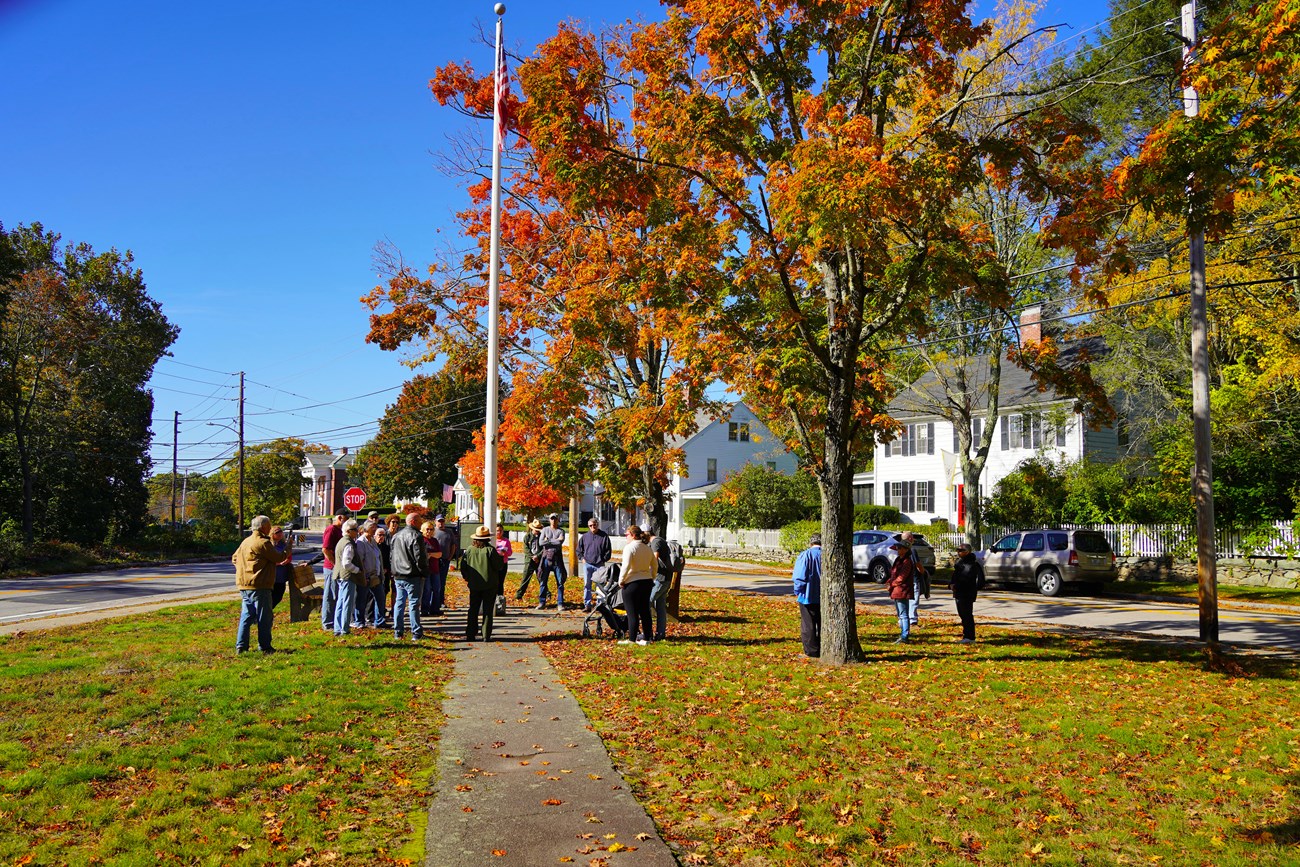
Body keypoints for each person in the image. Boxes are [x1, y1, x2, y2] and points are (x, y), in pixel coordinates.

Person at [232, 515, 291, 654]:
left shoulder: (246, 541)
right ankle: (264, 646)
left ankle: (241, 646)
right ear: (263, 527)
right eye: (269, 525)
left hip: (244, 584)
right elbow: (279, 557)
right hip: (260, 585)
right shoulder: (263, 542)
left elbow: (234, 558)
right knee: (264, 617)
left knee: (246, 616)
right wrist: (288, 547)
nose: (270, 528)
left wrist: (245, 569)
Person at [459, 525, 505, 641]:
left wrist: (467, 577)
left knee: (473, 609)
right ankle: (486, 634)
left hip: (474, 584)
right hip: (490, 584)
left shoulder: (469, 550)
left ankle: (470, 633)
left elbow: (463, 566)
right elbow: (498, 566)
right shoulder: (490, 550)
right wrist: (501, 557)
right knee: (488, 610)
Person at [390, 512, 428, 641]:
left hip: (398, 574)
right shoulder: (416, 536)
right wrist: (424, 572)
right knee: (413, 604)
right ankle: (416, 631)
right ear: (413, 522)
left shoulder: (396, 536)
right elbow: (420, 557)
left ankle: (398, 631)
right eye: (419, 521)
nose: (421, 523)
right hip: (412, 574)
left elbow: (392, 556)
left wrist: (394, 570)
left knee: (399, 603)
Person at [618, 525, 656, 646]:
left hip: (632, 582)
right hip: (646, 581)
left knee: (632, 612)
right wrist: (652, 576)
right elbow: (655, 565)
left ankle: (632, 639)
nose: (626, 537)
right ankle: (647, 637)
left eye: (627, 535)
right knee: (645, 611)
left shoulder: (630, 548)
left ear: (633, 535)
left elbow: (626, 565)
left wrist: (621, 580)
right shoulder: (647, 548)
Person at [792, 532, 823, 658]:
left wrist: (797, 591)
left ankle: (811, 651)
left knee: (808, 624)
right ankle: (824, 647)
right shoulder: (827, 555)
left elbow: (799, 577)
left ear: (811, 543)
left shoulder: (805, 555)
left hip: (807, 596)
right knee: (823, 623)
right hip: (824, 597)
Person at [332, 519, 363, 636]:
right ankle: (344, 629)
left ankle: (337, 628)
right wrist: (357, 570)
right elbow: (346, 563)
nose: (357, 532)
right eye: (355, 530)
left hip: (340, 576)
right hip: (347, 576)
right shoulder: (348, 544)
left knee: (340, 602)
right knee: (347, 603)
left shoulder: (341, 541)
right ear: (349, 531)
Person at [951, 541, 986, 643]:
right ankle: (966, 636)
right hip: (959, 592)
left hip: (966, 593)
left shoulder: (970, 564)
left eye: (961, 550)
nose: (958, 552)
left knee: (967, 615)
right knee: (962, 614)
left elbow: (966, 579)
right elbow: (955, 577)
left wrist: (956, 585)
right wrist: (951, 584)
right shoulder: (960, 563)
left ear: (967, 551)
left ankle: (970, 637)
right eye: (957, 550)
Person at [576, 517, 611, 613]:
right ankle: (587, 604)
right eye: (590, 526)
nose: (592, 527)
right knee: (587, 585)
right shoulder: (585, 537)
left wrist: (603, 559)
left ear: (597, 525)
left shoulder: (604, 536)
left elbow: (608, 550)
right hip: (587, 564)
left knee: (600, 585)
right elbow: (579, 550)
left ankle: (600, 605)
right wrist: (582, 559)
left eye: (594, 525)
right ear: (588, 526)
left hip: (600, 565)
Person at [319, 512, 346, 632]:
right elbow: (325, 549)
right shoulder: (331, 529)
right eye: (346, 518)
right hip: (331, 568)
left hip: (337, 567)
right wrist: (335, 564)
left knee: (336, 594)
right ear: (340, 518)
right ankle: (328, 622)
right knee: (330, 595)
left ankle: (334, 619)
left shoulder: (340, 530)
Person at [357, 520, 386, 628]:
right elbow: (360, 560)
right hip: (366, 576)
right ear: (366, 529)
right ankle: (359, 621)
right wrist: (364, 575)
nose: (374, 529)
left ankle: (380, 621)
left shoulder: (372, 541)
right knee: (362, 599)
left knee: (380, 598)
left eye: (375, 527)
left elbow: (378, 556)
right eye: (372, 527)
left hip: (376, 575)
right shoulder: (361, 542)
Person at [887, 538, 917, 643]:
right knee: (900, 614)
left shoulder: (907, 561)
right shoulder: (898, 560)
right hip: (896, 590)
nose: (897, 550)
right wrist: (890, 581)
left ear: (905, 549)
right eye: (897, 548)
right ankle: (903, 635)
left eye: (900, 548)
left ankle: (905, 636)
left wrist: (892, 584)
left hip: (902, 590)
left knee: (904, 615)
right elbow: (894, 573)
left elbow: (901, 577)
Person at [646, 527, 673, 641]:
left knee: (647, 603)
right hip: (665, 578)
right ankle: (660, 634)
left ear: (647, 533)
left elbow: (654, 559)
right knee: (660, 607)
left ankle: (648, 634)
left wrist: (647, 572)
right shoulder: (660, 540)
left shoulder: (655, 542)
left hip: (660, 579)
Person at [538, 513, 569, 611]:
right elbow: (541, 542)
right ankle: (542, 602)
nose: (553, 520)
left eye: (555, 519)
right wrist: (554, 540)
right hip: (546, 558)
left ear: (558, 520)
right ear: (549, 520)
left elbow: (560, 542)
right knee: (543, 581)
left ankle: (560, 603)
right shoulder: (544, 530)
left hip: (557, 559)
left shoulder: (561, 531)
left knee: (560, 582)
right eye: (552, 519)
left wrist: (548, 540)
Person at [901, 530, 931, 628]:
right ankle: (912, 621)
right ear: (910, 538)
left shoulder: (900, 550)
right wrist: (923, 572)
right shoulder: (912, 550)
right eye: (912, 537)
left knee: (906, 600)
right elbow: (918, 565)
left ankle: (904, 620)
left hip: (904, 579)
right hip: (913, 579)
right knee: (914, 600)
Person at [431, 515, 457, 615]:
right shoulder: (432, 531)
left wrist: (450, 557)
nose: (441, 523)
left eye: (442, 521)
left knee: (442, 582)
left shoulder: (449, 532)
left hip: (445, 560)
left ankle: (440, 601)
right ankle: (432, 602)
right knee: (432, 583)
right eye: (439, 521)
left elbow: (453, 545)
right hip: (434, 560)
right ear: (435, 522)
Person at [515, 520, 544, 606]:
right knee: (525, 578)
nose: (537, 531)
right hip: (529, 560)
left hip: (539, 560)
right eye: (535, 529)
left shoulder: (541, 537)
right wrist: (532, 556)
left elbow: (543, 548)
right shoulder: (527, 537)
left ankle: (546, 594)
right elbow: (526, 549)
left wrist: (538, 556)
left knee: (541, 578)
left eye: (538, 529)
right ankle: (519, 595)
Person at [421, 519, 444, 615]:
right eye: (427, 529)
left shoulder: (434, 540)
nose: (429, 531)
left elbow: (439, 554)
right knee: (426, 590)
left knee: (437, 588)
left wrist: (430, 554)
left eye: (431, 529)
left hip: (435, 569)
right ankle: (425, 609)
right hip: (425, 569)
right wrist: (431, 554)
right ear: (423, 529)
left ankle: (435, 608)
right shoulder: (421, 540)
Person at [270, 524, 293, 609]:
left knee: (278, 596)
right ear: (272, 534)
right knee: (270, 596)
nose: (280, 534)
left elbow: (289, 556)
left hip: (281, 575)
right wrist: (278, 563)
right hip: (271, 575)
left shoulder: (283, 544)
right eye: (277, 532)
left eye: (281, 532)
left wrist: (286, 561)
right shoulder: (269, 545)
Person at [375, 524, 393, 622]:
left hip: (385, 574)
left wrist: (386, 569)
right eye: (379, 535)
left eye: (383, 535)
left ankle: (381, 612)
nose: (381, 537)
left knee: (384, 592)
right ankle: (373, 615)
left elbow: (389, 560)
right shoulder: (373, 547)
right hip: (375, 574)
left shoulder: (386, 547)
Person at [494, 525, 512, 614]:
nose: (498, 532)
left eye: (500, 531)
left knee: (500, 582)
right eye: (497, 530)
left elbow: (510, 552)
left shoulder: (506, 541)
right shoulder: (493, 540)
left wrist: (505, 552)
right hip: (494, 564)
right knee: (494, 582)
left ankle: (500, 600)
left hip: (503, 563)